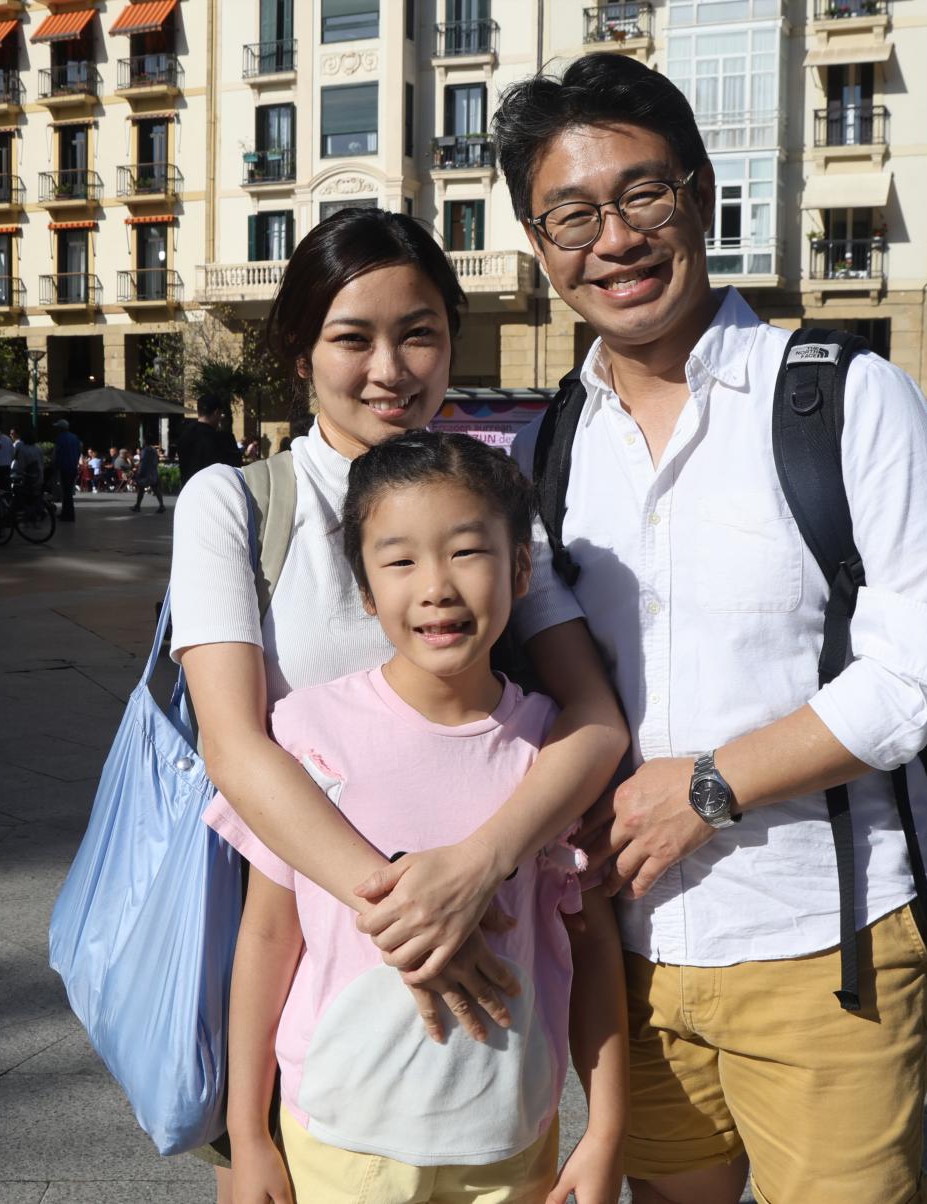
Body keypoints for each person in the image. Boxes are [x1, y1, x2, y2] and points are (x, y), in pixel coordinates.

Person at [493, 54, 927, 1204]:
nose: (611, 238)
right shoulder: (547, 448)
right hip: (631, 965)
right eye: (571, 214)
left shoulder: (841, 394)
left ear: (701, 192)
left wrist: (710, 785)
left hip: (825, 944)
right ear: (539, 245)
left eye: (641, 195)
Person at [168, 207, 628, 1204]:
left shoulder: (488, 503)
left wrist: (477, 869)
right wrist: (407, 911)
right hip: (324, 955)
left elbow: (591, 719)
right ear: (299, 349)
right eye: (351, 336)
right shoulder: (237, 505)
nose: (390, 366)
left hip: (492, 1021)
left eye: (418, 332)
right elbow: (236, 746)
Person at [220, 430, 627, 1204]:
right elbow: (270, 936)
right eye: (400, 561)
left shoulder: (554, 749)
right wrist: (247, 1136)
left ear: (519, 570)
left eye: (467, 552)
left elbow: (593, 943)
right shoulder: (308, 731)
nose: (435, 586)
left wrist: (605, 1133)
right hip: (341, 1142)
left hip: (509, 1145)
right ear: (366, 591)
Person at [178, 393, 244, 484]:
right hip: (213, 493)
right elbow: (235, 468)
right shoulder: (222, 439)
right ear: (216, 412)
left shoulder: (184, 435)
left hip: (188, 492)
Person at [52, 419, 81, 522]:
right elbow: (78, 452)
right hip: (73, 467)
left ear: (61, 428)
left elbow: (56, 454)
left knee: (66, 492)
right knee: (68, 492)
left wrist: (55, 465)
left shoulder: (60, 438)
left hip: (64, 467)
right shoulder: (74, 437)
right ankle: (68, 513)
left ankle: (67, 514)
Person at [130, 440, 165, 513]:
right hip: (153, 472)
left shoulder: (145, 450)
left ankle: (137, 506)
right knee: (156, 489)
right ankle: (161, 505)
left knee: (141, 489)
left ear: (145, 442)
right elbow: (157, 460)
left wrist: (139, 472)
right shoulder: (154, 450)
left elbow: (143, 462)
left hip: (145, 473)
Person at [11, 427, 44, 495]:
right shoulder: (38, 449)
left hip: (27, 479)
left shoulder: (22, 448)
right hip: (39, 478)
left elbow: (17, 461)